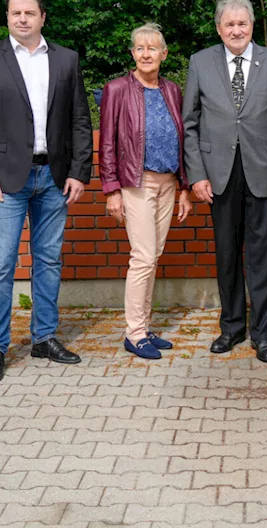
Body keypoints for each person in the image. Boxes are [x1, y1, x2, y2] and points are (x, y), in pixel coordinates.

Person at [0, 0, 93, 383]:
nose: (22, 19)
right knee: (0, 266)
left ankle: (44, 338)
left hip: (54, 178)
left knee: (49, 261)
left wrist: (79, 170)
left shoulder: (66, 60)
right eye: (15, 13)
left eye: (29, 13)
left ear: (42, 18)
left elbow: (79, 121)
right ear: (7, 18)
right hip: (6, 181)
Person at [182, 0, 267, 363]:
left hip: (264, 174)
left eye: (242, 23)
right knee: (227, 254)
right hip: (218, 175)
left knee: (263, 256)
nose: (236, 30)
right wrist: (196, 174)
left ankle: (262, 334)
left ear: (251, 26)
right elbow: (189, 125)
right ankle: (231, 327)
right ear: (219, 28)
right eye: (229, 24)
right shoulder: (200, 63)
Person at [99, 23, 193, 360]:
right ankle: (134, 333)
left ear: (164, 54)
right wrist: (111, 190)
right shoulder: (117, 89)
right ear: (132, 54)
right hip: (135, 183)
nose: (146, 53)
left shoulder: (172, 91)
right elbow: (107, 142)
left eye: (153, 48)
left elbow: (181, 139)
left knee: (152, 257)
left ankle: (144, 326)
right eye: (140, 48)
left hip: (168, 182)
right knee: (142, 257)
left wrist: (184, 187)